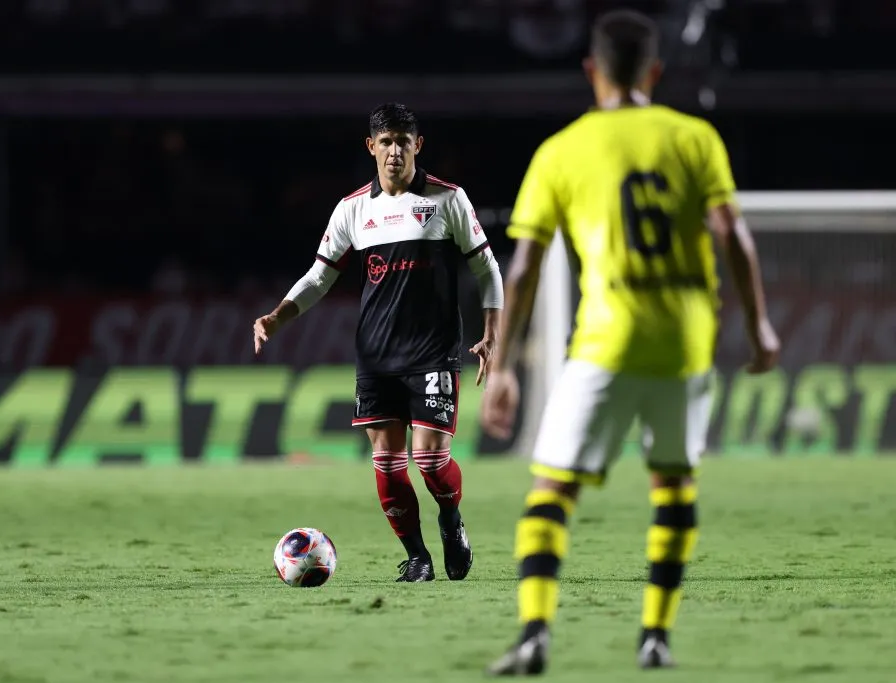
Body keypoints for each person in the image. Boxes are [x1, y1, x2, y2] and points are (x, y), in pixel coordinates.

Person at [481, 9, 780, 675]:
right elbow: (733, 234)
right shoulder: (693, 136)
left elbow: (525, 265)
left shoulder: (561, 150)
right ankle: (655, 636)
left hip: (606, 341)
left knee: (551, 489)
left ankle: (534, 633)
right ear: (655, 71)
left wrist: (502, 366)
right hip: (684, 342)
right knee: (673, 484)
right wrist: (759, 324)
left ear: (591, 71)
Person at [253, 103, 504, 583]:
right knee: (387, 464)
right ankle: (418, 557)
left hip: (433, 350)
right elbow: (319, 276)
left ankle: (451, 522)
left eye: (403, 142)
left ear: (418, 146)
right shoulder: (353, 209)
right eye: (385, 142)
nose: (394, 152)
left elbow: (486, 268)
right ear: (371, 147)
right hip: (376, 356)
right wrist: (278, 315)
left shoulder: (447, 199)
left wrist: (491, 334)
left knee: (431, 460)